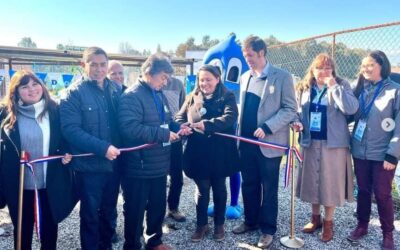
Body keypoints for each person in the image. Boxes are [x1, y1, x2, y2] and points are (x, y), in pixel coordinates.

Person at [232, 35, 297, 249]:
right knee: (249, 184)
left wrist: (268, 127)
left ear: (262, 53)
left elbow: (290, 109)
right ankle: (250, 221)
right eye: (245, 56)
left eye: (250, 55)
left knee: (269, 188)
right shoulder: (244, 77)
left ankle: (267, 230)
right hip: (246, 143)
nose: (247, 59)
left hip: (270, 144)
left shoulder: (283, 77)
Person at [0, 70, 76, 249]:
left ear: (42, 86)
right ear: (16, 92)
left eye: (35, 84)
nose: (31, 89)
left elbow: (65, 139)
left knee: (49, 232)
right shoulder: (6, 115)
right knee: (22, 232)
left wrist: (67, 154)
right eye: (24, 86)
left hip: (48, 185)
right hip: (18, 187)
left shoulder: (55, 111)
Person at [60, 47, 122, 250]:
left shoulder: (116, 89)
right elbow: (71, 130)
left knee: (110, 211)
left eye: (102, 64)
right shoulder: (74, 93)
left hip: (114, 165)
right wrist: (103, 148)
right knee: (90, 216)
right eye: (93, 64)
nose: (98, 69)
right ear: (83, 65)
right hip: (89, 167)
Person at [292, 53, 358, 242]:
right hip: (310, 141)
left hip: (334, 143)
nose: (324, 71)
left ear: (333, 70)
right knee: (313, 181)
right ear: (313, 70)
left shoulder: (342, 85)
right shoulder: (304, 88)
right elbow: (296, 111)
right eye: (320, 67)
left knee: (330, 183)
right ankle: (315, 219)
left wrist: (333, 87)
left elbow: (351, 108)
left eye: (328, 67)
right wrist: (297, 123)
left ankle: (329, 223)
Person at [118, 53, 178, 250]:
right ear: (148, 73)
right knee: (135, 210)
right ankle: (132, 245)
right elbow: (130, 128)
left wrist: (179, 129)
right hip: (139, 166)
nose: (165, 81)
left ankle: (154, 241)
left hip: (159, 165)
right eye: (163, 76)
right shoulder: (131, 96)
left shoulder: (159, 94)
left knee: (157, 207)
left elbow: (166, 122)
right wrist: (164, 135)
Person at [176, 65, 239, 242]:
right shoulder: (192, 97)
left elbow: (230, 117)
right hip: (198, 152)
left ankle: (219, 224)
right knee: (202, 188)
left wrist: (208, 125)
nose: (204, 83)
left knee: (219, 187)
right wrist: (182, 126)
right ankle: (201, 225)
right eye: (201, 79)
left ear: (217, 79)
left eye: (208, 79)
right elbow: (179, 117)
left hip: (220, 152)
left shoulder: (227, 96)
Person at [347, 50, 400, 250]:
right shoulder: (359, 89)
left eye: (370, 65)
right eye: (363, 66)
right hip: (360, 150)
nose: (365, 69)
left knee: (383, 193)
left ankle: (388, 234)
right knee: (363, 190)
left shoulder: (395, 91)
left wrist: (392, 154)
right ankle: (362, 225)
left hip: (383, 154)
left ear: (381, 65)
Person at [106, 59, 126, 243]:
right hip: (110, 152)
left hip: (127, 152)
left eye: (121, 73)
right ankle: (110, 230)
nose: (118, 77)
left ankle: (134, 232)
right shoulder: (104, 94)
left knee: (130, 195)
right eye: (114, 73)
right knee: (111, 195)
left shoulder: (128, 92)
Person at [163, 75, 187, 222]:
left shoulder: (178, 84)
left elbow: (184, 108)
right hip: (158, 136)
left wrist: (181, 126)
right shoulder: (151, 84)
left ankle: (173, 208)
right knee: (158, 179)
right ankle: (154, 212)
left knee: (177, 175)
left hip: (176, 134)